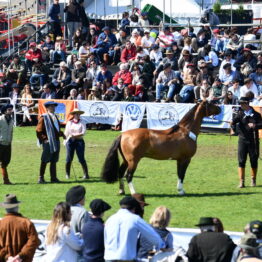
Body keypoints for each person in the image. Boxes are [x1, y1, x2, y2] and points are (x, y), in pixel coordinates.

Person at [104, 196, 164, 261]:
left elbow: (106, 240)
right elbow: (153, 237)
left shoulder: (110, 219)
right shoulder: (135, 219)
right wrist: (162, 246)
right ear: (134, 208)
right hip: (125, 259)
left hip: (108, 258)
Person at [231, 97, 262, 188]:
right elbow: (234, 122)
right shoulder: (240, 113)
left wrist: (255, 125)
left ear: (247, 103)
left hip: (254, 141)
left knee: (253, 161)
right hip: (242, 141)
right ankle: (241, 182)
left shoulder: (256, 115)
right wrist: (232, 123)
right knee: (241, 161)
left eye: (242, 104)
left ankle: (253, 180)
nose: (240, 105)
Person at [0, 194, 39, 261]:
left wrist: (7, 257)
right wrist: (20, 256)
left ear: (6, 209)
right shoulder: (27, 223)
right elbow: (33, 241)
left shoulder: (1, 223)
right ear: (17, 207)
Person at [36, 101, 65, 184]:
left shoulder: (55, 116)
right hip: (48, 142)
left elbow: (56, 129)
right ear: (47, 108)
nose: (53, 108)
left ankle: (53, 177)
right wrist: (44, 139)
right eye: (51, 106)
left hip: (56, 141)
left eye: (54, 106)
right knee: (45, 159)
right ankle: (40, 178)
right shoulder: (43, 117)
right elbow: (38, 130)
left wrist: (62, 134)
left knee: (54, 160)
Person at [64, 108, 89, 179]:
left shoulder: (82, 122)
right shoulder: (69, 122)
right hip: (70, 142)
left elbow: (83, 132)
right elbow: (66, 132)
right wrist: (65, 141)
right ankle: (67, 174)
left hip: (79, 141)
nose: (78, 115)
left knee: (81, 158)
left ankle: (86, 174)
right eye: (76, 114)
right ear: (73, 115)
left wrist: (75, 135)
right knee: (68, 159)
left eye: (79, 114)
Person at [0, 104, 14, 185]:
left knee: (5, 162)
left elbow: (11, 132)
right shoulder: (0, 119)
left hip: (8, 144)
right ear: (5, 111)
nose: (11, 111)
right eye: (9, 109)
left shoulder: (12, 120)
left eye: (11, 109)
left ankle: (6, 180)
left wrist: (10, 141)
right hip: (0, 143)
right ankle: (6, 180)